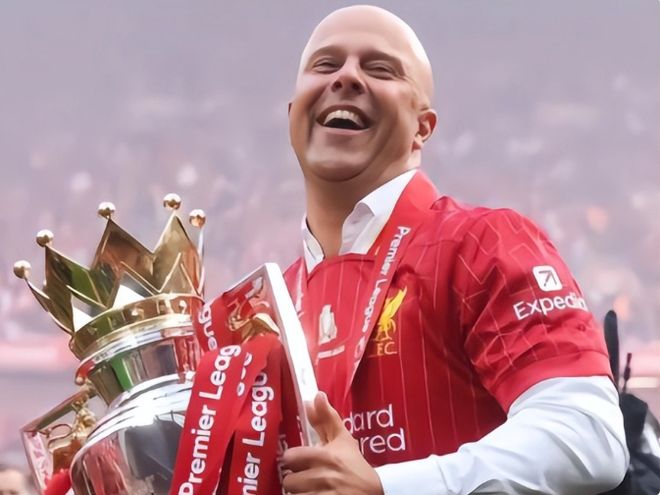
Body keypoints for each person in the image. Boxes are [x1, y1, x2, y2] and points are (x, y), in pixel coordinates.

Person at [279, 5, 629, 495]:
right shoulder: (267, 309)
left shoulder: (482, 244)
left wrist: (387, 488)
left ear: (422, 128)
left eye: (380, 68)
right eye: (325, 64)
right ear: (293, 114)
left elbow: (588, 436)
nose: (347, 77)